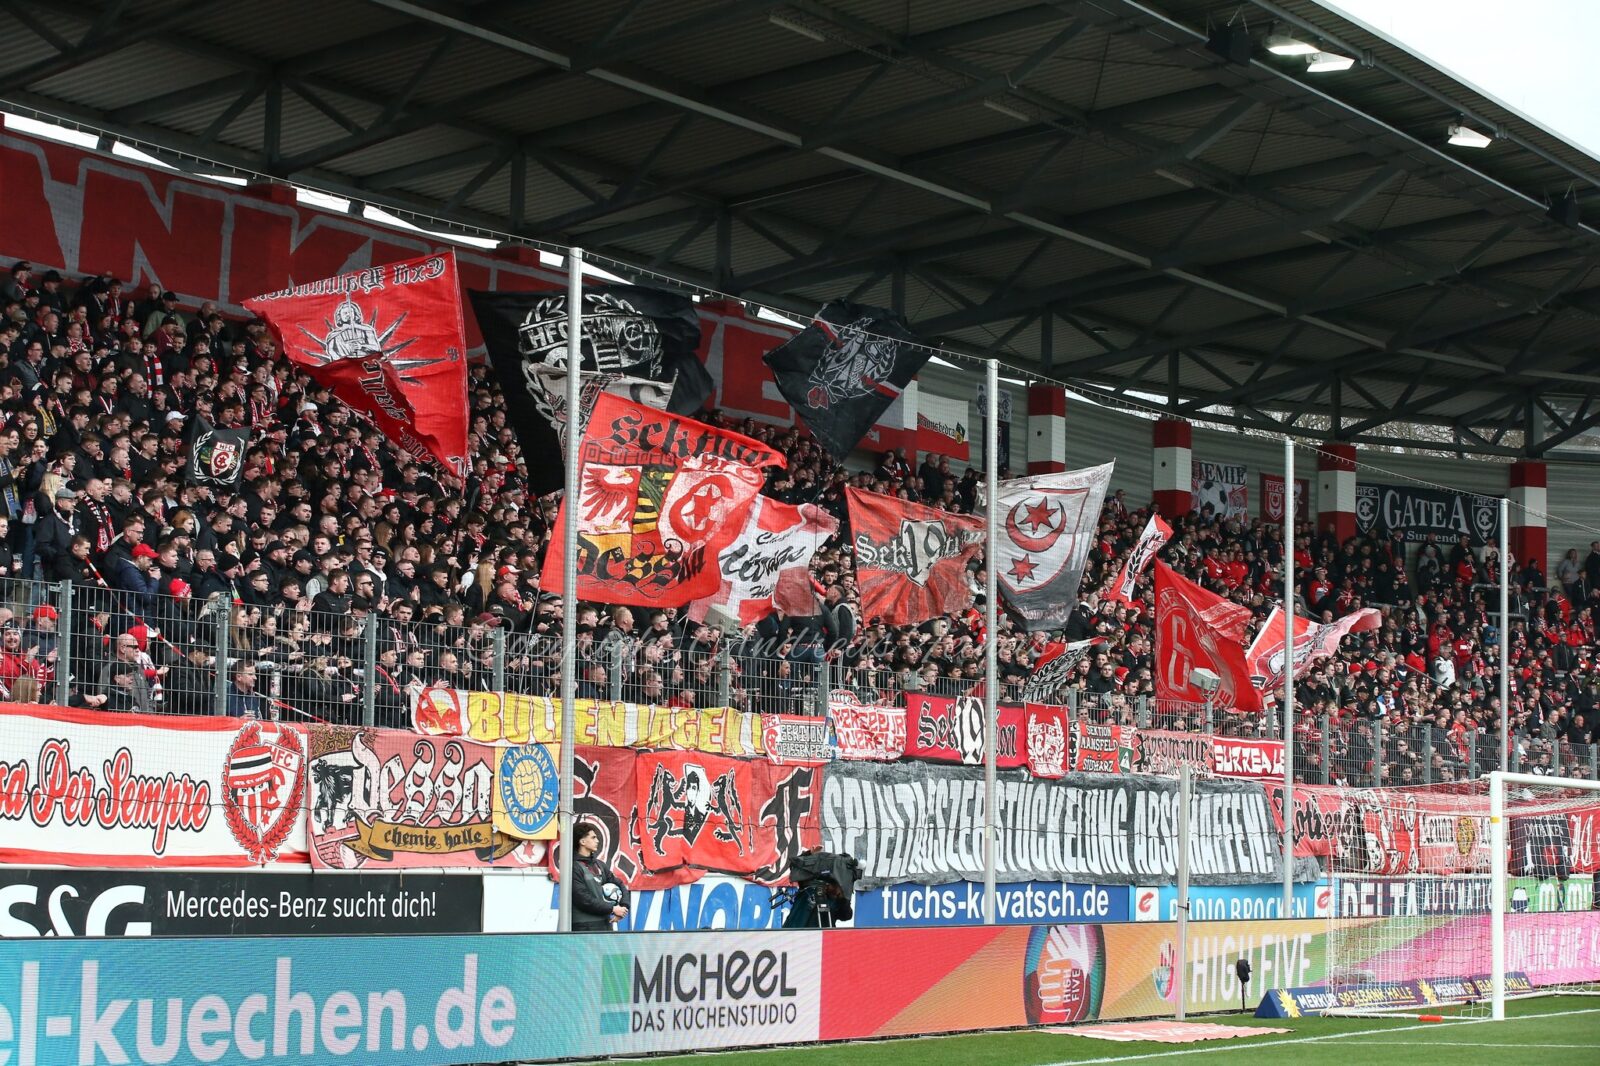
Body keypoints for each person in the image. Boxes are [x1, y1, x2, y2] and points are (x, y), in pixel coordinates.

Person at [570, 820, 629, 932]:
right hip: (583, 926)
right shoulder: (573, 866)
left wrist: (623, 908)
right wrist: (612, 908)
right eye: (593, 837)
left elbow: (620, 884)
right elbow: (582, 899)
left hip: (605, 923)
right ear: (582, 841)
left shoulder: (600, 865)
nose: (597, 841)